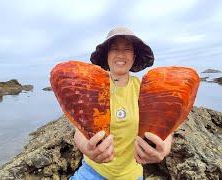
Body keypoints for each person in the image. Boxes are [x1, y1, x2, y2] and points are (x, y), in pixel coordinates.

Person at [70, 27, 173, 180]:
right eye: (114, 49)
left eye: (127, 49)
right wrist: (87, 148)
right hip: (92, 171)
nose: (121, 54)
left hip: (131, 175)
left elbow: (165, 126)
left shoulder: (145, 89)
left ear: (134, 55)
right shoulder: (92, 87)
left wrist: (164, 148)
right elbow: (79, 131)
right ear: (106, 55)